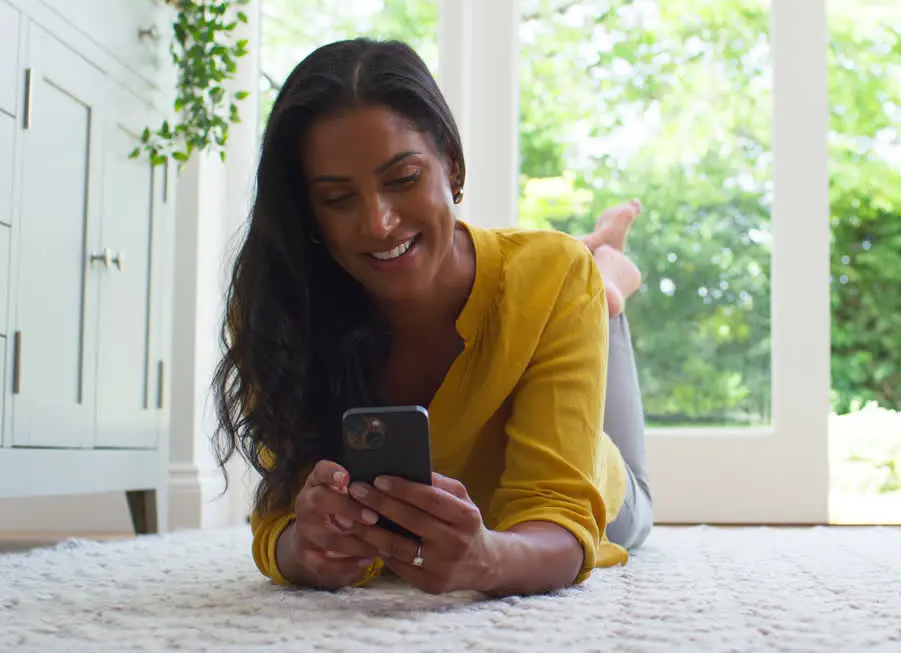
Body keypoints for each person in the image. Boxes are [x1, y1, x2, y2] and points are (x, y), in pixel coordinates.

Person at [211, 38, 653, 596]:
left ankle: (608, 275)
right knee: (573, 282)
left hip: (603, 480)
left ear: (453, 165)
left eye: (403, 179)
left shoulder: (551, 278)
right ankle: (603, 275)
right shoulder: (277, 307)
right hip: (550, 292)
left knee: (578, 284)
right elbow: (279, 516)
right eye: (338, 199)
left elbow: (560, 516)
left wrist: (488, 559)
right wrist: (303, 546)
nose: (378, 223)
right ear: (306, 211)